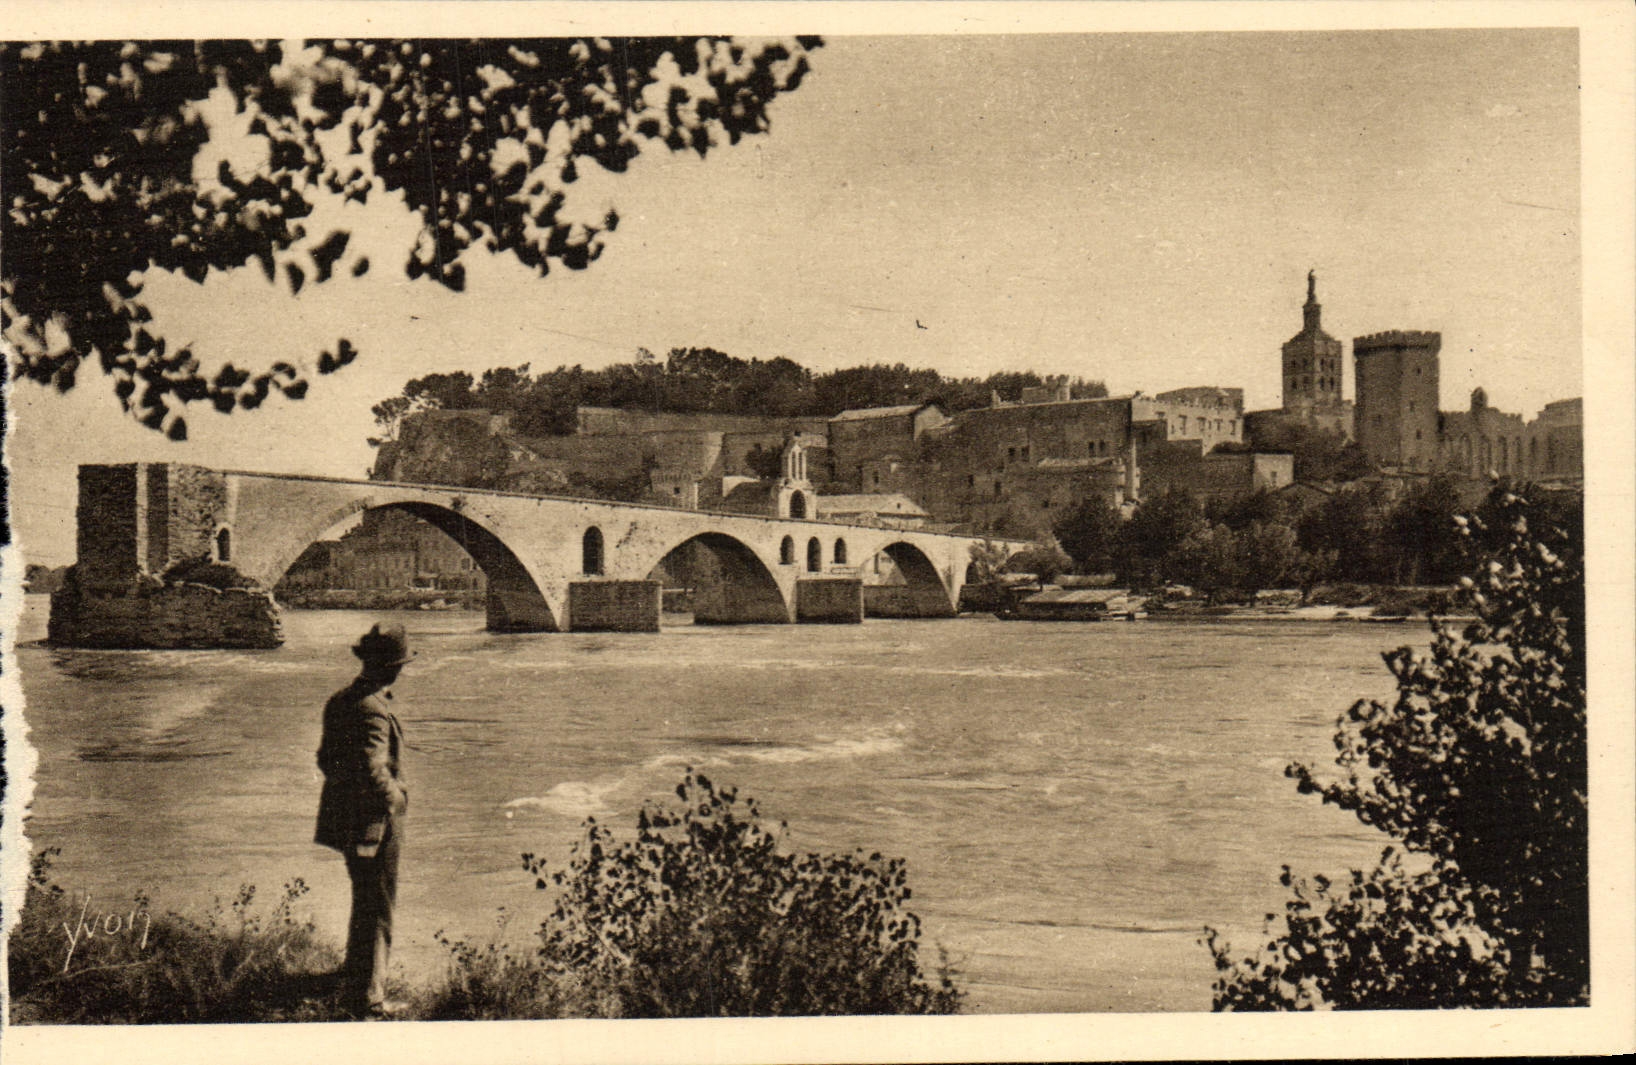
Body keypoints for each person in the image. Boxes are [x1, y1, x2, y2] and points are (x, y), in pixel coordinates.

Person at [315, 622, 413, 1018]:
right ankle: (370, 1000)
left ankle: (354, 980)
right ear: (391, 667)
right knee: (378, 907)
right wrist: (396, 800)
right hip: (374, 823)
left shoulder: (341, 699)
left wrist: (345, 793)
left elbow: (325, 759)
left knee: (363, 900)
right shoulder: (373, 707)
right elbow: (374, 770)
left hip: (346, 819)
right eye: (400, 663)